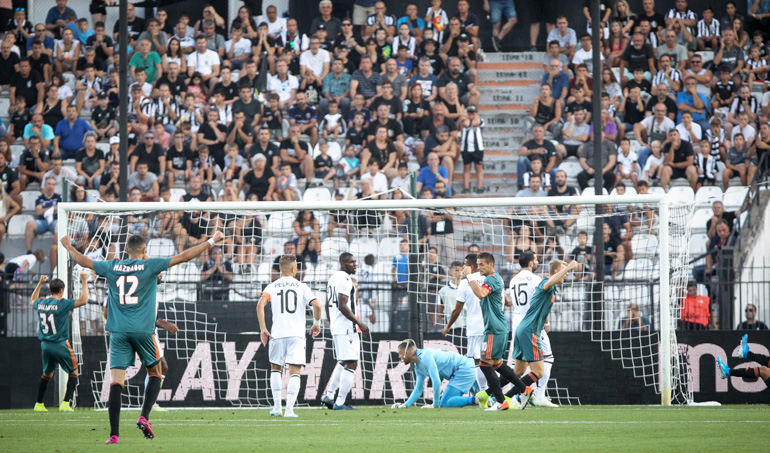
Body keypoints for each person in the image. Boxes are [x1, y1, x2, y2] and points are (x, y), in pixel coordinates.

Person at [60, 229, 224, 443]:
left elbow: (84, 261)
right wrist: (211, 240)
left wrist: (68, 245)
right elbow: (184, 256)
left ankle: (114, 434)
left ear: (126, 250)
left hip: (118, 331)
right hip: (143, 331)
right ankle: (144, 416)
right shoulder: (150, 266)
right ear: (144, 250)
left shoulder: (112, 266)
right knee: (156, 372)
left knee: (116, 382)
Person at [463, 252, 530, 411]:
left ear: (490, 264)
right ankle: (524, 389)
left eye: (481, 264)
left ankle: (501, 402)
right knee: (497, 364)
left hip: (494, 328)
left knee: (484, 364)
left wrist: (469, 277)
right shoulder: (497, 278)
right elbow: (505, 301)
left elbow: (481, 294)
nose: (479, 267)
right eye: (477, 264)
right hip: (498, 327)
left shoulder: (491, 279)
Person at [257, 254, 322, 418]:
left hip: (277, 334)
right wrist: (317, 323)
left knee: (275, 369)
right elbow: (317, 305)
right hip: (296, 334)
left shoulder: (272, 286)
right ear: (294, 269)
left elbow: (260, 305)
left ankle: (277, 408)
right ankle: (289, 410)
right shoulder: (302, 286)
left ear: (280, 269)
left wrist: (263, 328)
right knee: (295, 371)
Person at [511, 259, 577, 409]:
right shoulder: (542, 281)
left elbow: (539, 305)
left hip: (522, 326)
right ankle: (526, 396)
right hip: (530, 329)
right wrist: (569, 266)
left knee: (518, 370)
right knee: (540, 369)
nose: (566, 274)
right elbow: (547, 284)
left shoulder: (518, 280)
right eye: (564, 271)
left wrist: (546, 322)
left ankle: (496, 396)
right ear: (557, 272)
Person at [31, 272, 89, 412]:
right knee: (74, 372)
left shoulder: (42, 302)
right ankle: (66, 403)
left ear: (50, 290)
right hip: (60, 344)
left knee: (47, 375)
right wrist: (84, 280)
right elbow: (83, 300)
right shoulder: (62, 304)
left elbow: (32, 300)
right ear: (61, 290)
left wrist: (40, 283)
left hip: (45, 345)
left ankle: (38, 404)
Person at [322, 253, 370, 410]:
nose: (355, 265)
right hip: (346, 327)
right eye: (351, 262)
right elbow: (342, 305)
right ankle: (340, 403)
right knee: (352, 363)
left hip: (338, 326)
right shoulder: (344, 279)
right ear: (343, 263)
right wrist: (359, 323)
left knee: (343, 361)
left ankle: (329, 396)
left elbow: (327, 304)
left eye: (355, 262)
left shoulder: (333, 278)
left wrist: (332, 322)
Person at [442, 253, 487, 393]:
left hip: (475, 328)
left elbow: (457, 309)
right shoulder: (490, 278)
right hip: (491, 326)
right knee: (492, 362)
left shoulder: (464, 282)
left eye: (464, 265)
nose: (462, 269)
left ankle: (483, 393)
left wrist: (448, 326)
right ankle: (490, 392)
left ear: (471, 267)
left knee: (475, 362)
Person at [391, 339, 478, 409]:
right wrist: (405, 405)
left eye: (400, 354)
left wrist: (435, 404)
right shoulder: (418, 366)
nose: (399, 356)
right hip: (465, 367)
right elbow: (418, 389)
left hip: (463, 368)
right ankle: (482, 399)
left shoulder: (425, 356)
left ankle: (476, 400)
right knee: (483, 395)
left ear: (406, 353)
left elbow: (436, 381)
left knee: (445, 403)